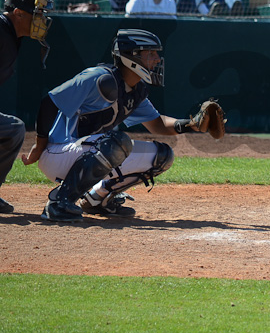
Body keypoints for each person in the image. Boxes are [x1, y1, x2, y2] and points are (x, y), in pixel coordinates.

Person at [22, 29, 220, 222]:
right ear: (130, 57)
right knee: (118, 142)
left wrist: (192, 124)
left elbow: (158, 124)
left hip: (88, 152)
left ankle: (98, 198)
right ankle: (59, 202)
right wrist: (39, 147)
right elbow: (49, 102)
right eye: (150, 53)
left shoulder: (136, 89)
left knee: (163, 155)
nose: (157, 59)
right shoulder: (98, 77)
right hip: (58, 153)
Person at [0, 0, 52, 214]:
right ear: (19, 13)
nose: (41, 20)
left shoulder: (9, 35)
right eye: (36, 14)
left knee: (13, 129)